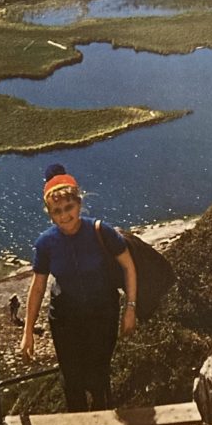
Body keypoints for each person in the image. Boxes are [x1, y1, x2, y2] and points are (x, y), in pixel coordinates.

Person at [20, 163, 137, 411]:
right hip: (65, 320)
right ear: (50, 214)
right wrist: (27, 331)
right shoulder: (46, 243)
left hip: (102, 315)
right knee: (72, 379)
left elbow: (129, 266)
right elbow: (38, 287)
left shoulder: (100, 231)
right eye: (57, 211)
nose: (64, 216)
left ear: (79, 204)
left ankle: (103, 421)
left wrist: (131, 308)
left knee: (99, 374)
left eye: (68, 208)